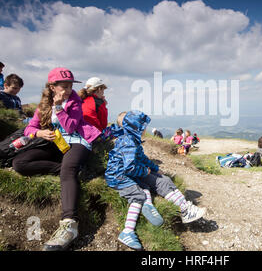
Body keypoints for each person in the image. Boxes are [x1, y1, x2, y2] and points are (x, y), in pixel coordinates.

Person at [11, 67, 101, 251]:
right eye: (64, 86)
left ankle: (70, 225)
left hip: (77, 141)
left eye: (70, 86)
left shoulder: (75, 101)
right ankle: (69, 169)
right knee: (19, 164)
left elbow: (70, 127)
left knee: (68, 171)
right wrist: (39, 132)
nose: (68, 89)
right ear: (52, 87)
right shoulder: (44, 104)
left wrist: (59, 107)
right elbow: (29, 128)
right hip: (54, 142)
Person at [105, 111, 206, 250]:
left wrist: (154, 168)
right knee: (138, 194)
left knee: (156, 183)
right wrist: (145, 171)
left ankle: (183, 208)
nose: (145, 129)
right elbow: (129, 168)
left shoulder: (132, 140)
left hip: (127, 173)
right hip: (119, 176)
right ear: (136, 128)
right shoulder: (129, 143)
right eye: (142, 127)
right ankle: (127, 231)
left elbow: (141, 158)